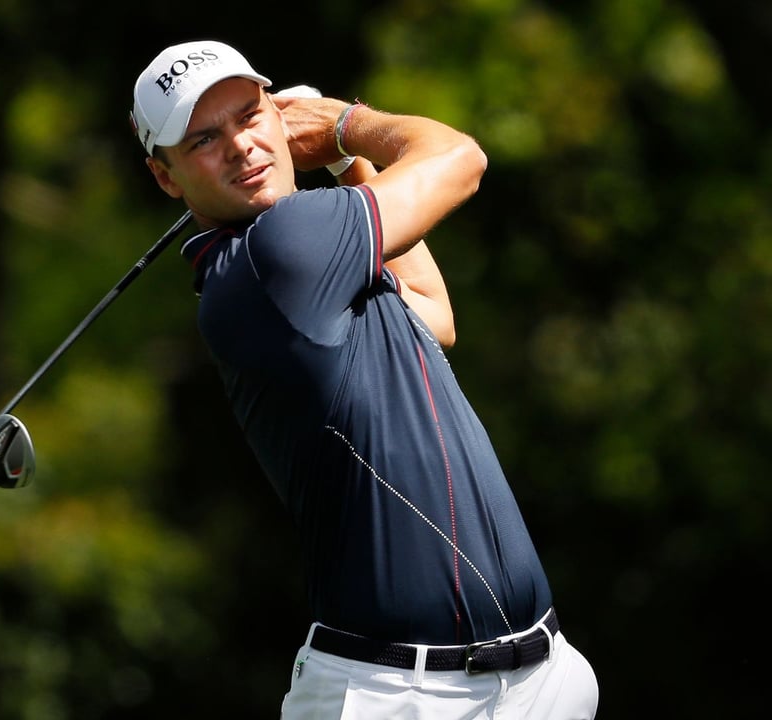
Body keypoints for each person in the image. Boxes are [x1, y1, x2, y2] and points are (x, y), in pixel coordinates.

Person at [130, 39, 600, 719]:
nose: (241, 146)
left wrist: (350, 165)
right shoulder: (282, 251)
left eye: (249, 115)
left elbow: (433, 314)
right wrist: (347, 126)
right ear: (166, 177)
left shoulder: (300, 263)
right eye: (204, 138)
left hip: (537, 679)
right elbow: (460, 159)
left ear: (273, 113)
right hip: (400, 697)